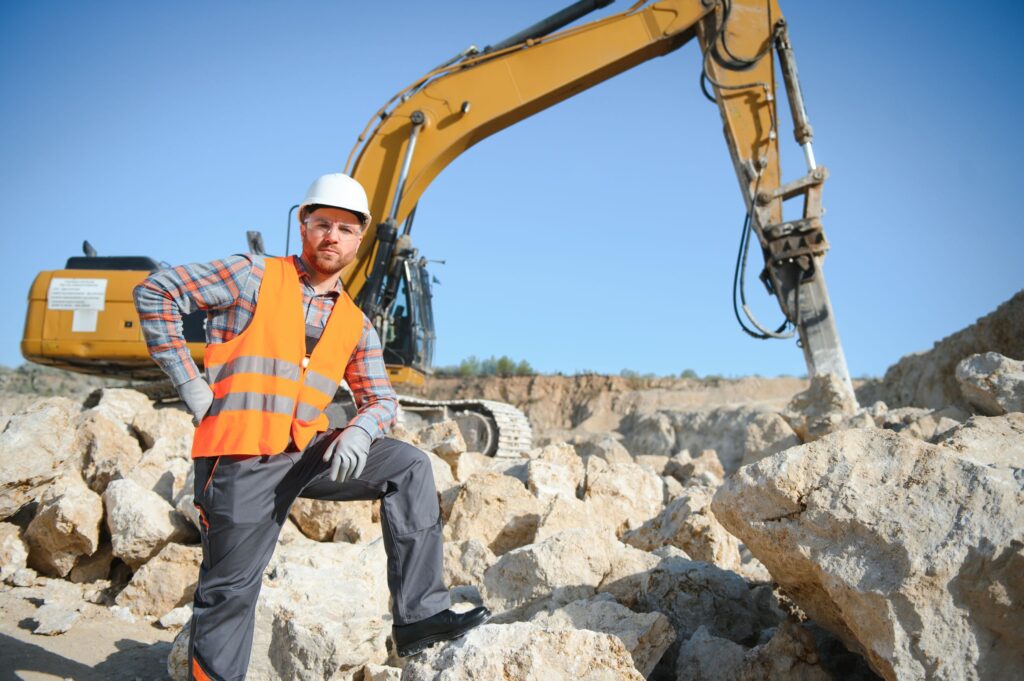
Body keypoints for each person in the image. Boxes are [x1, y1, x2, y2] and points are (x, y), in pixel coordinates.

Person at [133, 173, 490, 680]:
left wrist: (362, 430)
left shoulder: (354, 322)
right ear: (303, 224)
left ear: (359, 239)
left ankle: (420, 616)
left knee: (408, 465)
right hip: (241, 455)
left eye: (345, 228)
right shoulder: (251, 276)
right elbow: (156, 292)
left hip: (306, 454)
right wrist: (188, 380)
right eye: (323, 223)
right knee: (229, 592)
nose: (332, 236)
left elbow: (381, 397)